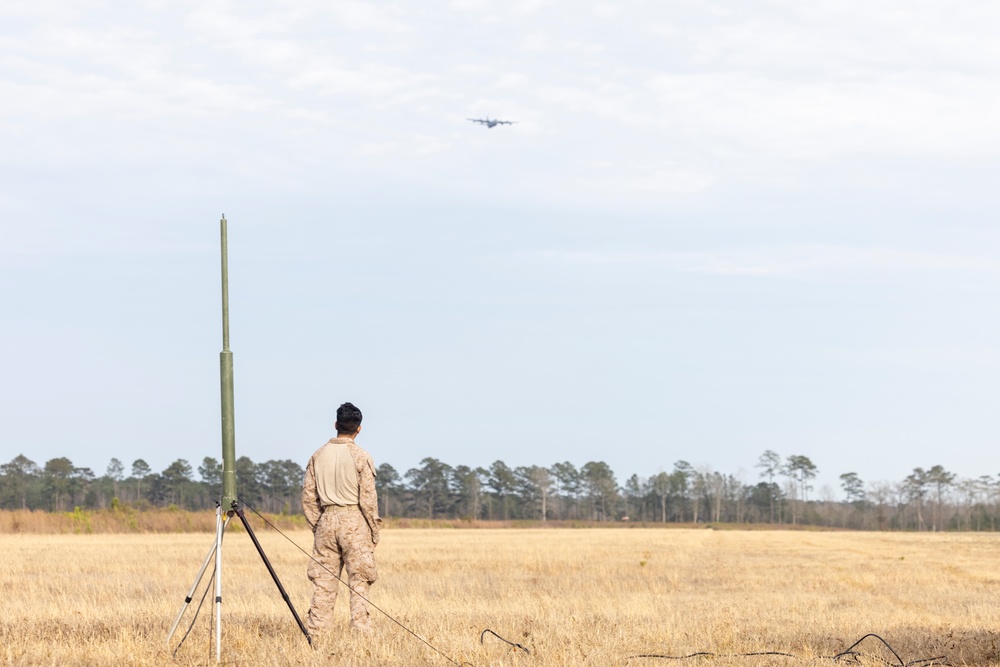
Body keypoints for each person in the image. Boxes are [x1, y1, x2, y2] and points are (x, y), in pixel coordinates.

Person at [302, 402, 382, 635]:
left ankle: (317, 635)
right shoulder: (361, 456)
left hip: (326, 519)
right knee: (360, 580)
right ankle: (361, 633)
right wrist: (374, 531)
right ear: (359, 428)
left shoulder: (318, 455)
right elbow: (368, 499)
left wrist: (318, 526)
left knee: (323, 582)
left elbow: (308, 497)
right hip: (354, 521)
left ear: (335, 425)